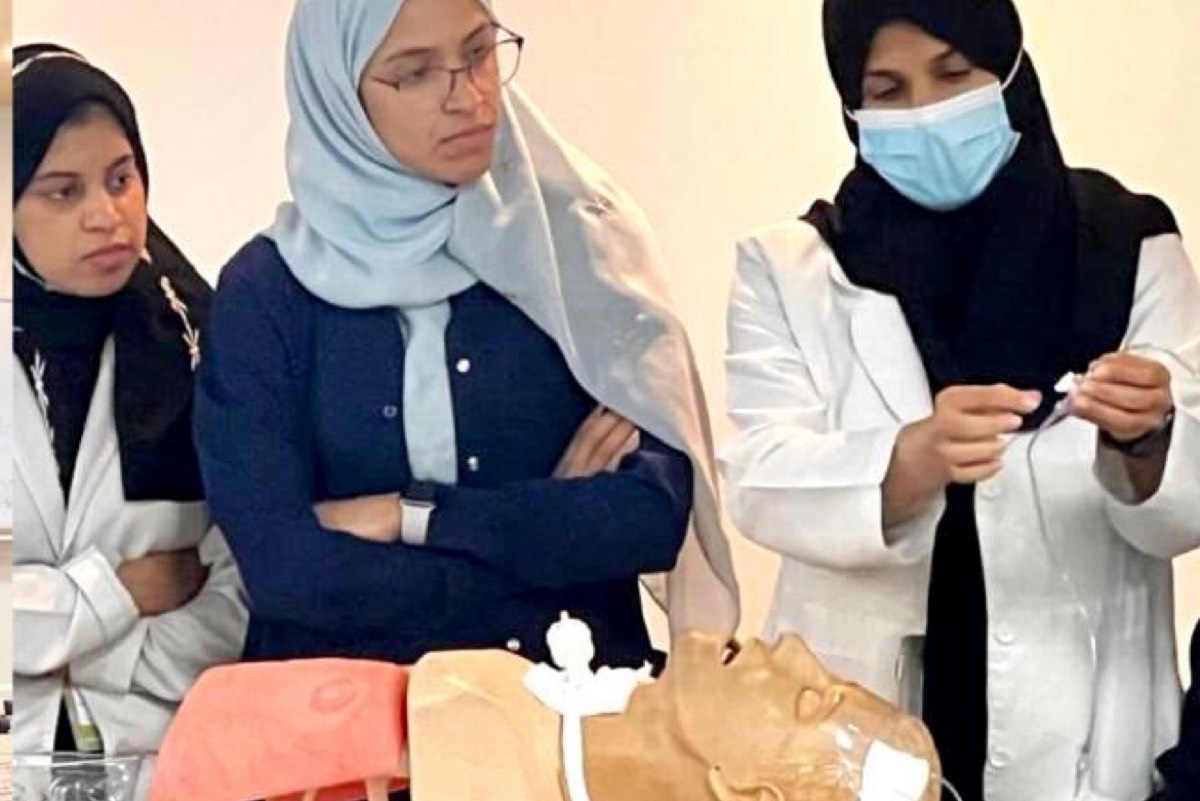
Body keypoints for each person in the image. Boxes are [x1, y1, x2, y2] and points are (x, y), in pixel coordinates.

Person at [719, 1, 1200, 799]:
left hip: (1082, 720)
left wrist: (1147, 440)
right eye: (888, 90)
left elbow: (1187, 508)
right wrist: (904, 462)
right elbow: (757, 478)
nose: (926, 112)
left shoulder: (1129, 248)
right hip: (856, 717)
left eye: (953, 75)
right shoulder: (792, 266)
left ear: (1009, 74)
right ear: (851, 105)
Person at [194, 0, 737, 678]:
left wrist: (413, 516)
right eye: (415, 73)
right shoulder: (267, 292)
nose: (469, 96)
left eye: (479, 52)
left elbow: (649, 517)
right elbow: (288, 572)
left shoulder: (580, 245)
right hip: (347, 723)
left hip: (570, 715)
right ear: (338, 95)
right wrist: (545, 534)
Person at [11, 44, 247, 790]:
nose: (106, 216)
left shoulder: (197, 342)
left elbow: (239, 591)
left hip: (161, 754)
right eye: (61, 191)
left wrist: (75, 653)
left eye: (121, 179)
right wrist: (117, 594)